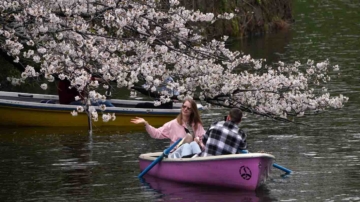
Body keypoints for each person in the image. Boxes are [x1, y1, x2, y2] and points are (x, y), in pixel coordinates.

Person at [130, 98, 205, 153]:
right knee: (188, 139)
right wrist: (146, 124)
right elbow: (156, 133)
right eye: (184, 106)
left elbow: (204, 140)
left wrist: (199, 142)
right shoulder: (172, 124)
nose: (185, 109)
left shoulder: (197, 125)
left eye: (188, 108)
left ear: (192, 111)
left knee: (194, 143)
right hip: (177, 154)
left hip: (194, 153)